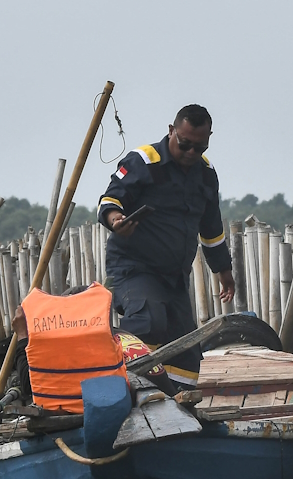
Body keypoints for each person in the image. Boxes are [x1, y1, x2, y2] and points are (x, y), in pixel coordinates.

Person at [98, 104, 236, 391]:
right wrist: (116, 221)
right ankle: (109, 380)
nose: (190, 153)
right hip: (133, 267)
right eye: (184, 145)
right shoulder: (143, 161)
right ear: (171, 131)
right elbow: (110, 201)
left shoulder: (206, 174)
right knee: (149, 321)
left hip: (174, 275)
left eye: (199, 147)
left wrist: (224, 270)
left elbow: (211, 229)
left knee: (185, 349)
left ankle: (175, 405)